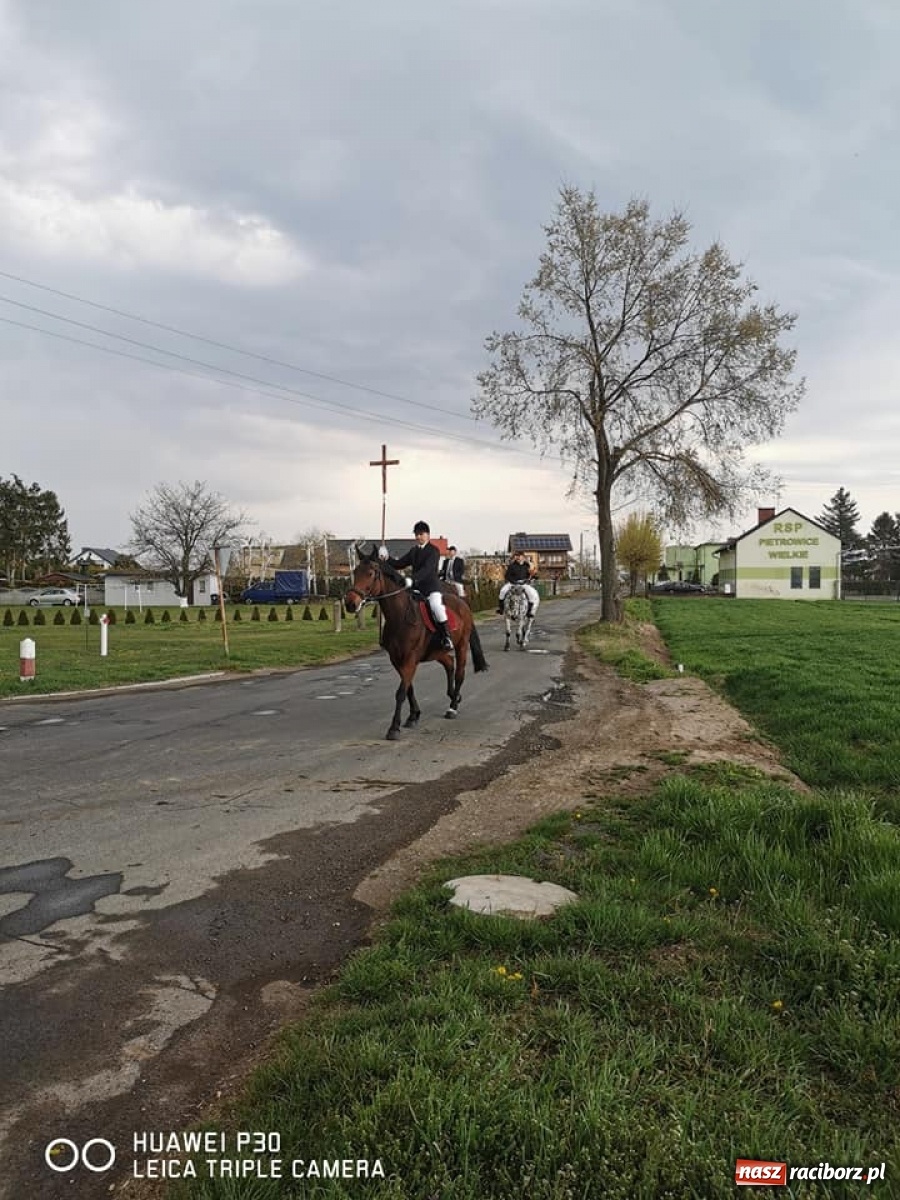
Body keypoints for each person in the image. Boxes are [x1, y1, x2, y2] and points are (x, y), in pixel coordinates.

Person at [379, 521, 454, 651]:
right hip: (416, 589)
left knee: (436, 607)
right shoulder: (414, 551)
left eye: (421, 534)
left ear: (427, 535)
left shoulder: (434, 551)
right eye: (416, 535)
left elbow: (427, 570)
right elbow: (399, 564)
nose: (418, 537)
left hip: (431, 588)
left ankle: (446, 636)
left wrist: (412, 579)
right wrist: (386, 558)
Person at [497, 549, 540, 618]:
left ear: (523, 557)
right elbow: (507, 576)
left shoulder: (527, 566)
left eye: (519, 556)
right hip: (512, 583)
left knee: (531, 595)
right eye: (517, 556)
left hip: (524, 584)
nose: (518, 558)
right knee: (503, 591)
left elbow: (532, 574)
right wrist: (514, 581)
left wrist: (535, 576)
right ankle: (501, 609)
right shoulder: (512, 566)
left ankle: (529, 612)